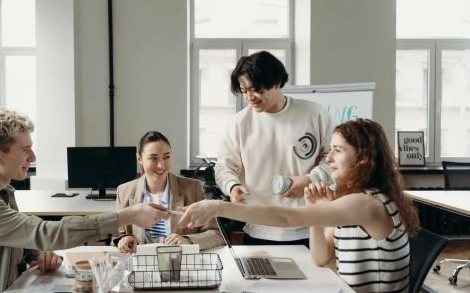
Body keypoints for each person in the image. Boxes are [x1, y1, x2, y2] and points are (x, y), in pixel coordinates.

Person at [0, 106, 169, 292]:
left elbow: (13, 239)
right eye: (25, 150)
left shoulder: (0, 192)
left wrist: (36, 254)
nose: (33, 156)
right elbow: (45, 233)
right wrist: (127, 216)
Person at [179, 119, 420, 292]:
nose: (329, 159)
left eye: (337, 151)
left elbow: (286, 218)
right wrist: (316, 214)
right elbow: (321, 258)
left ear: (363, 158)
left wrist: (218, 207)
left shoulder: (367, 203)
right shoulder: (356, 201)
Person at [215, 50, 335, 246]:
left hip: (308, 227)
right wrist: (233, 187)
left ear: (277, 83)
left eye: (257, 90)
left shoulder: (314, 114)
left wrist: (309, 180)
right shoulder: (238, 123)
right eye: (244, 90)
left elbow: (333, 159)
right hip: (258, 228)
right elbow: (224, 167)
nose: (250, 97)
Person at [114, 131, 224, 253]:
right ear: (139, 158)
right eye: (153, 158)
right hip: (141, 264)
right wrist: (124, 239)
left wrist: (187, 240)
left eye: (166, 157)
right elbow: (118, 235)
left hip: (180, 264)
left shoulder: (193, 188)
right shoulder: (124, 191)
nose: (161, 165)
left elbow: (217, 234)